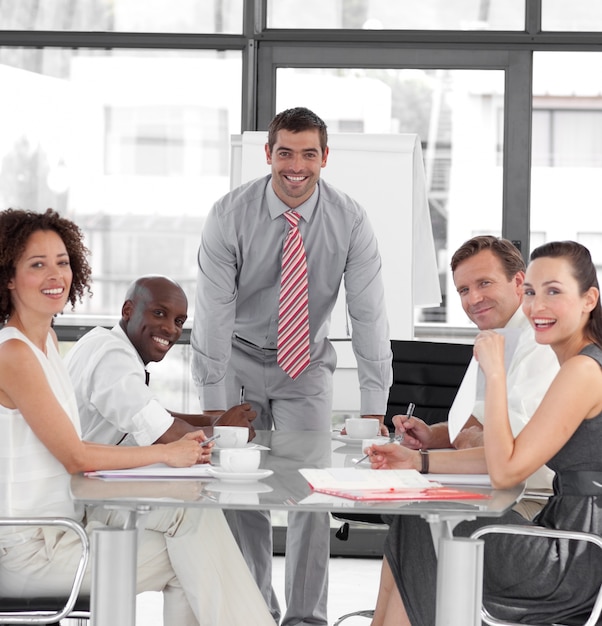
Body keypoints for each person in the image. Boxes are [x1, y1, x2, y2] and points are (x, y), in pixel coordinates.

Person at [0, 208, 274, 626]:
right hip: (32, 552)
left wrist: (199, 431)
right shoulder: (14, 354)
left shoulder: (47, 341)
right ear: (9, 277)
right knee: (193, 555)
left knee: (192, 519)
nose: (55, 276)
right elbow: (76, 456)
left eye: (62, 262)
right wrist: (165, 455)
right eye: (38, 265)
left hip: (64, 524)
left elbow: (74, 445)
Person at [191, 106, 393, 625]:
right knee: (241, 493)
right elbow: (213, 316)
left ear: (325, 157)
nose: (296, 165)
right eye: (285, 152)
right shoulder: (229, 214)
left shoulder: (350, 220)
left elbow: (368, 314)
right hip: (235, 358)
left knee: (312, 490)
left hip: (305, 365)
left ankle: (306, 618)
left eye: (308, 153)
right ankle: (255, 609)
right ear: (268, 154)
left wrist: (374, 411)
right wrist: (215, 413)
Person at [369, 240, 602, 625]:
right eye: (531, 292)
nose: (537, 306)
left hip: (572, 558)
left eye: (554, 292)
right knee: (419, 517)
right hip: (565, 539)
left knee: (427, 521)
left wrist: (495, 374)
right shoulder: (581, 365)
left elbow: (506, 469)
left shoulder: (582, 371)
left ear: (588, 299)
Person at [384, 236, 559, 519]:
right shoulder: (496, 337)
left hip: (530, 501)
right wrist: (432, 435)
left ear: (518, 283)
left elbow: (506, 445)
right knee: (408, 516)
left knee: (413, 517)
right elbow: (477, 421)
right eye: (464, 289)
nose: (473, 298)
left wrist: (438, 453)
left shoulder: (540, 342)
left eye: (484, 283)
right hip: (495, 489)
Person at [64, 274, 257, 447]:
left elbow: (153, 414)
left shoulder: (101, 341)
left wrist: (212, 421)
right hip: (74, 482)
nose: (171, 329)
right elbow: (163, 432)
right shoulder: (113, 356)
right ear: (127, 310)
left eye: (179, 322)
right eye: (159, 313)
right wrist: (225, 432)